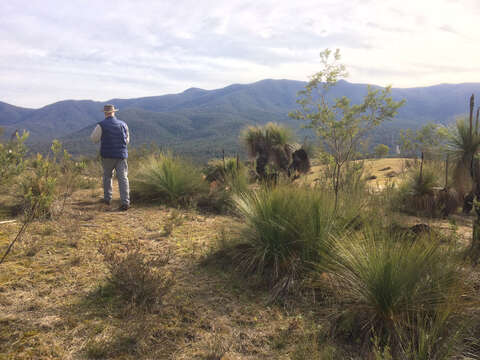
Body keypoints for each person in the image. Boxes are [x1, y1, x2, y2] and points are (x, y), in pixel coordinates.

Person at [90, 104, 130, 211]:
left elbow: (94, 139)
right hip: (121, 155)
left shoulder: (101, 125)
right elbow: (127, 141)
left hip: (107, 155)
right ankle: (125, 202)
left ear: (104, 113)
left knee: (107, 177)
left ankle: (107, 199)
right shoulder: (123, 124)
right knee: (123, 178)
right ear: (114, 112)